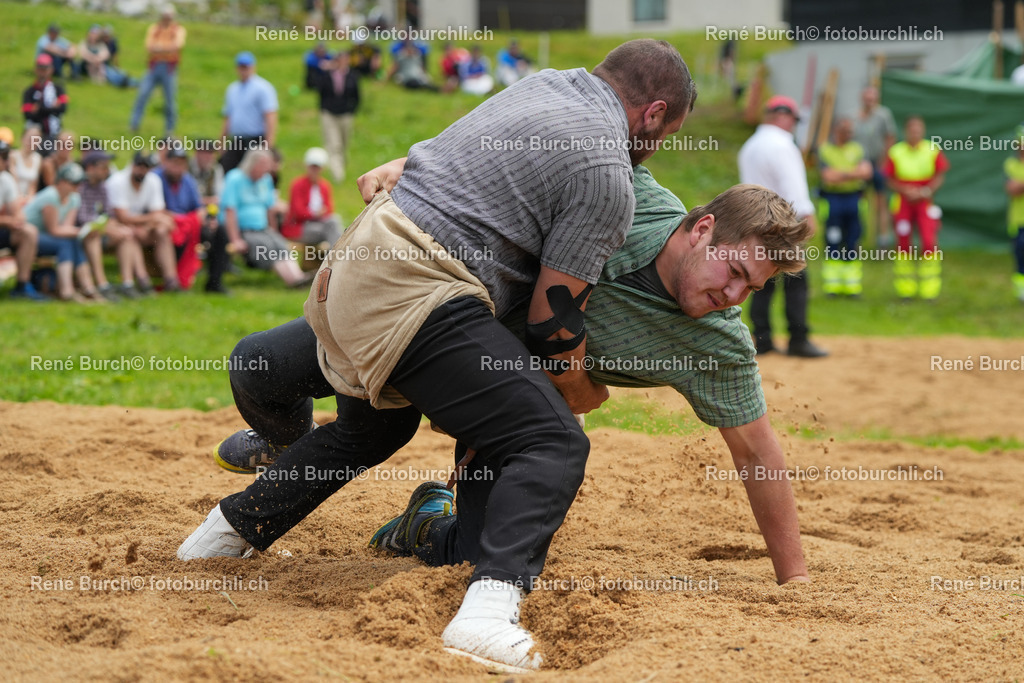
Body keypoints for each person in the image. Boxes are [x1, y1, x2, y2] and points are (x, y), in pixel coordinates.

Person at [178, 39, 695, 674]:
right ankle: (485, 617)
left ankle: (215, 542)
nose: (656, 150)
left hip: (360, 258)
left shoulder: (543, 87)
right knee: (552, 442)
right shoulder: (606, 170)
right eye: (666, 134)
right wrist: (579, 391)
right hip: (418, 289)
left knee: (374, 426)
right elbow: (551, 321)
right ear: (654, 112)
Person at [739, 95, 827, 358]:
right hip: (783, 224)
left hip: (755, 222)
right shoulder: (782, 145)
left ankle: (762, 338)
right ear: (782, 116)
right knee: (796, 280)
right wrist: (807, 217)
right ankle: (798, 338)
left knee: (761, 282)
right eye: (793, 120)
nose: (794, 126)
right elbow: (793, 188)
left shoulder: (750, 146)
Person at [219, 149, 307, 287]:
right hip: (244, 229)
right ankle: (292, 280)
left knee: (280, 244)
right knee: (267, 247)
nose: (266, 170)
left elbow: (269, 209)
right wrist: (235, 239)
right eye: (263, 166)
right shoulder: (235, 178)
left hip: (262, 228)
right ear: (252, 164)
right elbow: (230, 211)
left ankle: (298, 277)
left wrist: (272, 231)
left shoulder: (265, 180)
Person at [884, 115, 948, 300]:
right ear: (906, 131)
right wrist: (905, 189)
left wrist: (926, 191)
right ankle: (905, 289)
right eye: (912, 130)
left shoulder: (932, 149)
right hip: (903, 203)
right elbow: (888, 178)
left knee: (929, 242)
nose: (915, 133)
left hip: (925, 202)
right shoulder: (896, 151)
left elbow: (940, 174)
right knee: (903, 244)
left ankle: (930, 289)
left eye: (919, 130)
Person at [24, 163, 103, 302]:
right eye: (74, 183)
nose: (77, 187)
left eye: (79, 183)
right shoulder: (50, 196)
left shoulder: (74, 198)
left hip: (47, 237)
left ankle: (88, 287)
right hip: (28, 237)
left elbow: (66, 227)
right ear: (62, 182)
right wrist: (80, 232)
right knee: (66, 244)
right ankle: (67, 290)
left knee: (72, 241)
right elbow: (53, 229)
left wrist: (83, 232)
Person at [106, 151, 180, 293]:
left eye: (146, 167)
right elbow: (122, 217)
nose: (142, 170)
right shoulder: (117, 181)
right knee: (130, 234)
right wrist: (149, 220)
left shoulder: (153, 180)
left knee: (162, 231)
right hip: (117, 227)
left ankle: (171, 280)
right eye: (139, 166)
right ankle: (142, 280)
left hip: (142, 228)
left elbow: (158, 212)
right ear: (132, 165)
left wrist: (147, 224)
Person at [76, 149, 145, 301]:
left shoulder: (103, 187)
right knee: (93, 237)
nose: (107, 171)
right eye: (103, 167)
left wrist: (117, 229)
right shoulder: (79, 187)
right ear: (90, 168)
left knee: (127, 235)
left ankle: (127, 284)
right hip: (81, 235)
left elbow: (109, 215)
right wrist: (106, 227)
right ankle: (102, 285)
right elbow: (82, 219)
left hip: (101, 231)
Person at [818, 117, 872, 297]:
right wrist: (852, 173)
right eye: (845, 131)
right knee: (833, 240)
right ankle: (833, 286)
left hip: (853, 198)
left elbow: (866, 172)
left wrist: (841, 174)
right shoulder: (825, 150)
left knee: (853, 240)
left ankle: (852, 286)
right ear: (836, 131)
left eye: (851, 131)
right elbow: (828, 176)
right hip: (833, 199)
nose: (849, 134)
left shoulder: (857, 149)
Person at [0, 140, 47, 301]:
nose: (7, 161)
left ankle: (22, 285)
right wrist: (7, 221)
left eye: (7, 156)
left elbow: (17, 213)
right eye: (3, 156)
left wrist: (17, 219)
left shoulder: (6, 179)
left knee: (29, 232)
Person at [129, 5, 186, 136]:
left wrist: (159, 48)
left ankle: (169, 130)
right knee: (142, 94)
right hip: (154, 66)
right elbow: (149, 46)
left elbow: (177, 46)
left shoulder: (178, 30)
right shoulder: (154, 29)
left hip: (169, 67)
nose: (166, 19)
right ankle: (134, 124)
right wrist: (165, 48)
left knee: (170, 100)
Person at [853, 86, 897, 248]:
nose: (869, 102)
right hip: (860, 165)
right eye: (867, 99)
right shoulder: (855, 116)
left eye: (872, 99)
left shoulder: (883, 115)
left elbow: (890, 137)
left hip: (877, 163)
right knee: (860, 203)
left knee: (881, 202)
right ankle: (857, 236)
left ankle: (883, 239)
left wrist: (884, 161)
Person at [220, 52, 279, 173]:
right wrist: (222, 141)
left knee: (252, 172)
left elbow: (270, 116)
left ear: (253, 67)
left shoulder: (263, 88)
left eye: (246, 67)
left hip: (255, 140)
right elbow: (228, 117)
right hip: (237, 140)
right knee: (225, 168)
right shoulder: (232, 89)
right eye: (241, 67)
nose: (243, 70)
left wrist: (268, 145)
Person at [282, 147, 342, 250]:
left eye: (317, 167)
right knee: (331, 229)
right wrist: (315, 214)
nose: (314, 170)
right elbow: (298, 212)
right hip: (300, 227)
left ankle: (334, 257)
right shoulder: (298, 185)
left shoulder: (324, 186)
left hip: (319, 224)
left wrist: (321, 213)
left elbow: (329, 209)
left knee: (334, 220)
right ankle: (337, 258)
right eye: (312, 167)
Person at [316, 52, 360, 182]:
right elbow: (319, 91)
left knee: (344, 143)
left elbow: (357, 96)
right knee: (334, 144)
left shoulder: (352, 76)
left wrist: (352, 109)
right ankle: (338, 175)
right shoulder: (327, 75)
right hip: (329, 114)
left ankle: (341, 165)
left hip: (346, 114)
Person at [22, 54, 68, 146]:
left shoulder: (58, 89)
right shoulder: (29, 92)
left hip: (54, 132)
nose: (42, 72)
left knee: (66, 138)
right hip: (36, 132)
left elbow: (62, 109)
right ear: (36, 69)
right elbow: (28, 115)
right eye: (40, 68)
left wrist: (39, 108)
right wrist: (52, 107)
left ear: (51, 69)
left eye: (45, 69)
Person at [1004, 125, 1024, 302]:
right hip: (1017, 220)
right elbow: (1012, 188)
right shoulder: (1011, 164)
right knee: (1020, 252)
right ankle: (1021, 291)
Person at [10, 127, 44, 200]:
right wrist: (20, 198)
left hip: (28, 199)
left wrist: (29, 199)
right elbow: (13, 183)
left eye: (36, 140)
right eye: (30, 139)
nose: (32, 143)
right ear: (22, 138)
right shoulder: (13, 156)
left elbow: (33, 186)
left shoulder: (38, 159)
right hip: (13, 197)